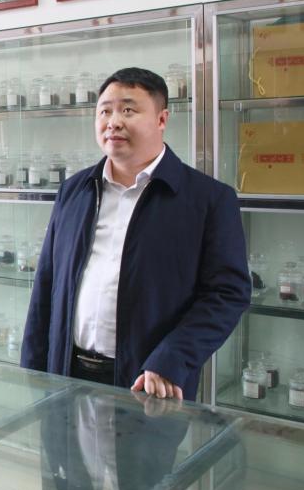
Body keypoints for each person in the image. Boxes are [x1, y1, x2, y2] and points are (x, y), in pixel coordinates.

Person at [22, 67, 251, 400]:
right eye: (105, 111)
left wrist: (172, 359)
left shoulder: (207, 199)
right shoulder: (74, 190)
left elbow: (228, 294)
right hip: (65, 373)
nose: (113, 122)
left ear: (161, 119)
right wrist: (31, 369)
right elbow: (46, 284)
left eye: (128, 110)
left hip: (148, 381)